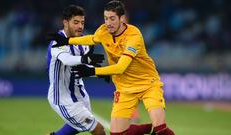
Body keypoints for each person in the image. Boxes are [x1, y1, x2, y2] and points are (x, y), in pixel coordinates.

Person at [48, 1, 175, 135]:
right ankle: (148, 129)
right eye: (106, 18)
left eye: (112, 18)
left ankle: (156, 129)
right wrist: (68, 41)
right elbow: (92, 39)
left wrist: (94, 71)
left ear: (122, 19)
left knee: (160, 129)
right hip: (124, 89)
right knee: (116, 133)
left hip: (148, 84)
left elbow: (121, 68)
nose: (108, 22)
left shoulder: (134, 36)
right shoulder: (104, 30)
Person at [46, 5, 106, 135]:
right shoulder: (58, 41)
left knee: (77, 125)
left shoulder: (82, 41)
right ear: (65, 22)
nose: (80, 26)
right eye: (76, 22)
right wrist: (85, 59)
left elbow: (83, 69)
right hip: (62, 97)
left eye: (82, 22)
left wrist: (102, 73)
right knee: (98, 130)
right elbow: (67, 60)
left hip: (80, 94)